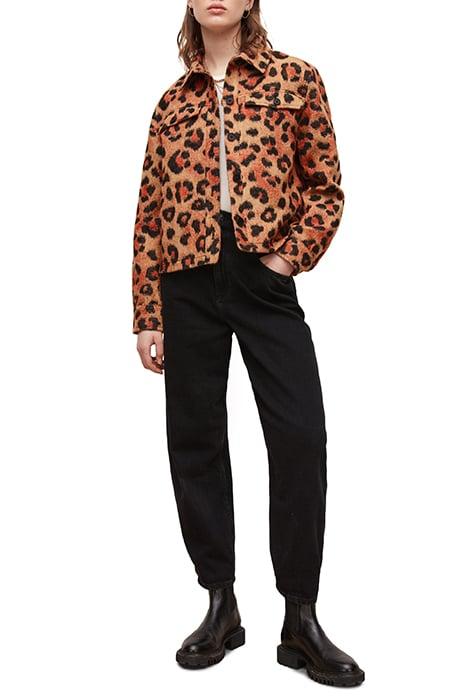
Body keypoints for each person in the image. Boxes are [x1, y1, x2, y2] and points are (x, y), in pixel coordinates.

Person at [131, 0, 364, 687]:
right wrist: (148, 312)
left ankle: (300, 618)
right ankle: (220, 604)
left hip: (263, 274)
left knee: (299, 436)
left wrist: (286, 260)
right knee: (195, 440)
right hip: (185, 279)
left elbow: (326, 188)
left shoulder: (296, 78)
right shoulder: (171, 103)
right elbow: (149, 212)